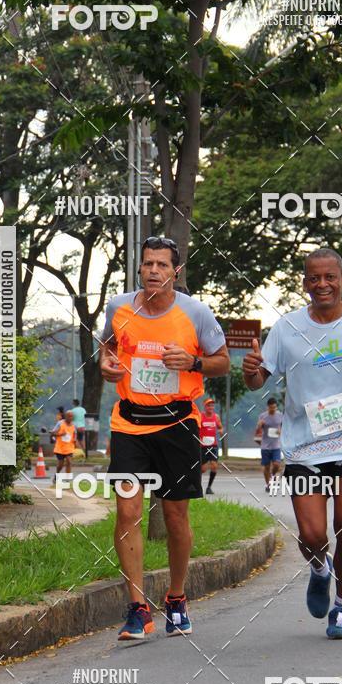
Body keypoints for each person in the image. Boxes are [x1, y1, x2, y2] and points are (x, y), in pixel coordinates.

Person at [243, 247, 342, 640]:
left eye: (330, 277)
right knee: (313, 536)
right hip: (303, 448)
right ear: (304, 284)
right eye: (314, 278)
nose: (322, 284)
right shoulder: (287, 328)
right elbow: (258, 378)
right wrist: (250, 372)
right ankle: (319, 568)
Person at [100, 236, 230, 641]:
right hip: (129, 424)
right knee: (127, 512)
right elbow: (107, 344)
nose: (153, 270)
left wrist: (192, 362)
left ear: (176, 271)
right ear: (139, 268)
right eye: (147, 264)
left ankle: (176, 598)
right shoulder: (119, 307)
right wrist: (106, 362)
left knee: (175, 516)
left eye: (162, 265)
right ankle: (138, 608)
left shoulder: (196, 313)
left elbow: (223, 362)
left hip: (177, 424)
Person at [255, 397, 283, 493]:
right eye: (271, 408)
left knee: (277, 465)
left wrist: (281, 431)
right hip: (265, 445)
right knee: (266, 467)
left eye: (274, 407)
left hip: (276, 445)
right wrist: (260, 424)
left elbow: (284, 427)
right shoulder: (263, 416)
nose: (273, 409)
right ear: (268, 407)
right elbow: (258, 430)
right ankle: (268, 484)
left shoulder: (280, 415)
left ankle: (272, 475)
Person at [200, 398, 223, 494]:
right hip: (203, 446)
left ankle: (209, 487)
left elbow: (220, 427)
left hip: (213, 446)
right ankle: (197, 485)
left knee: (214, 466)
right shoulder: (200, 416)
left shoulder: (216, 417)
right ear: (205, 407)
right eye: (208, 405)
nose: (211, 407)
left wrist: (221, 431)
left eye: (212, 405)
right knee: (203, 469)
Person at [53, 409, 77, 481]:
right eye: (69, 416)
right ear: (65, 416)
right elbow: (52, 433)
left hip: (69, 447)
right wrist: (60, 434)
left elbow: (74, 434)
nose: (70, 418)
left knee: (69, 461)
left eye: (71, 416)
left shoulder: (73, 425)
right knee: (60, 464)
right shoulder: (60, 423)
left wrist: (75, 441)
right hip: (60, 448)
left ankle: (68, 479)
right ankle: (56, 475)